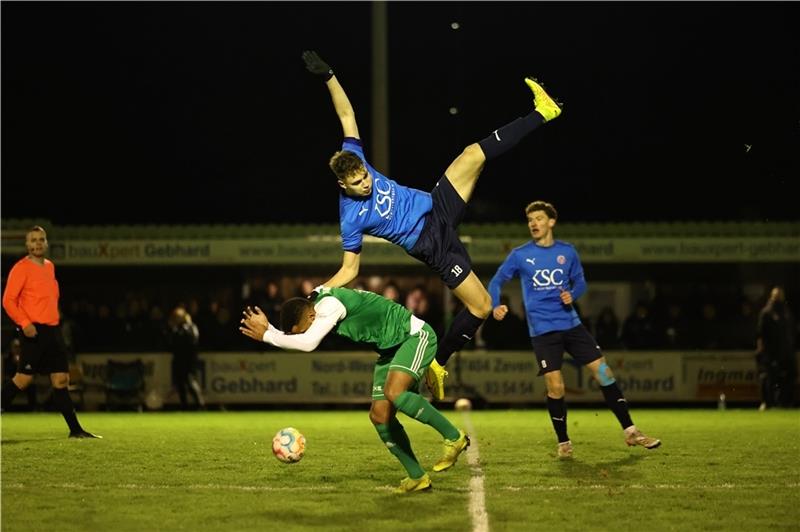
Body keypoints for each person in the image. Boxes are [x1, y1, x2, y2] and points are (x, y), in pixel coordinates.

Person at [302, 50, 562, 401]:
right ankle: (438, 362)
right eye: (358, 183)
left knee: (473, 154)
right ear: (342, 186)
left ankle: (544, 111)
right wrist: (319, 291)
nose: (365, 183)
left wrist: (329, 75)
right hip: (430, 242)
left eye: (365, 176)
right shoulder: (350, 218)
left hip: (436, 205)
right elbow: (350, 268)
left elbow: (346, 114)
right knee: (482, 307)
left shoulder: (355, 156)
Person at [239, 286, 470, 493]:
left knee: (395, 393)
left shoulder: (329, 306)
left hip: (413, 336)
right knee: (380, 417)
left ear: (311, 315)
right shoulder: (317, 303)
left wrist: (268, 335)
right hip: (390, 350)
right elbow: (302, 335)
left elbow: (307, 343)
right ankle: (417, 477)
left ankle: (454, 437)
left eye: (302, 329)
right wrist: (268, 329)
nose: (304, 334)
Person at [487, 201, 659, 458]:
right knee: (556, 387)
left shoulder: (567, 252)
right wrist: (495, 305)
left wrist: (572, 294)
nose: (533, 223)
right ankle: (564, 443)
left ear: (551, 222)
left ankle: (631, 431)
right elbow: (497, 280)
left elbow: (580, 282)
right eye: (530, 220)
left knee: (604, 372)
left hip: (572, 325)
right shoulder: (520, 255)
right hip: (543, 331)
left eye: (539, 219)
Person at [1, 226, 100, 438]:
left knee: (61, 380)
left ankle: (76, 430)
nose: (37, 243)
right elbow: (8, 301)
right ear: (27, 245)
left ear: (46, 243)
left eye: (41, 239)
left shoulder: (50, 267)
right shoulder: (21, 268)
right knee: (23, 380)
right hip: (33, 331)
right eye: (33, 240)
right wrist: (25, 323)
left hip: (53, 332)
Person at [756, 286, 797, 410]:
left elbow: (791, 331)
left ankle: (785, 403)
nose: (779, 298)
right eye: (777, 295)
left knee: (789, 377)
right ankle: (767, 403)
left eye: (781, 295)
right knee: (769, 378)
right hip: (771, 352)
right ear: (772, 297)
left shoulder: (786, 312)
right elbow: (760, 334)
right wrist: (761, 351)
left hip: (787, 351)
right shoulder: (766, 312)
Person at [165, 306, 205, 410]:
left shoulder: (190, 327)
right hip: (178, 359)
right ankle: (184, 406)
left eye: (178, 316)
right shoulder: (176, 328)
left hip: (189, 360)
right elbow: (171, 342)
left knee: (190, 380)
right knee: (180, 383)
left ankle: (200, 404)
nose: (177, 319)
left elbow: (193, 341)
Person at [2, 338, 38, 410]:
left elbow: (30, 372)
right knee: (8, 387)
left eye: (19, 347)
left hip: (23, 382)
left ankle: (32, 409)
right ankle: (4, 407)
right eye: (15, 347)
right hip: (10, 381)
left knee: (32, 386)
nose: (17, 349)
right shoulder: (6, 359)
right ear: (11, 348)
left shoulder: (27, 358)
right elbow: (4, 373)